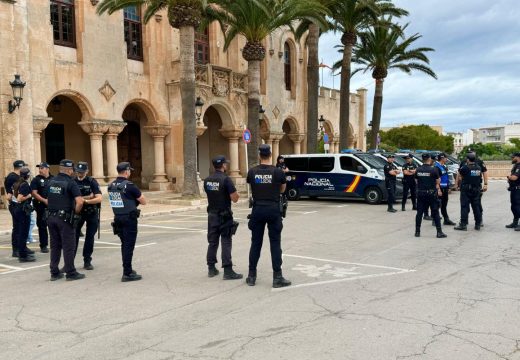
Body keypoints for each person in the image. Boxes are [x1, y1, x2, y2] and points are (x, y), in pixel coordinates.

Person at [246, 144, 291, 288]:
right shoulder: (278, 172)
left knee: (255, 243)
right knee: (275, 243)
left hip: (258, 209)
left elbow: (250, 186)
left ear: (260, 156)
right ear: (270, 155)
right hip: (273, 209)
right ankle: (277, 277)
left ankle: (251, 276)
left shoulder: (252, 172)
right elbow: (282, 189)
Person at [203, 155, 242, 280]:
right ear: (223, 165)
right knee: (226, 241)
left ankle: (211, 268)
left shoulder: (207, 180)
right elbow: (234, 199)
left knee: (212, 242)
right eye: (226, 164)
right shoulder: (226, 180)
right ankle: (227, 270)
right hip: (224, 215)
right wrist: (237, 194)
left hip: (212, 214)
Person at [46, 159, 85, 281]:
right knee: (68, 246)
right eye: (72, 169)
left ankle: (54, 272)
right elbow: (80, 201)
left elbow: (48, 199)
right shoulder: (71, 183)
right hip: (65, 219)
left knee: (55, 245)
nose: (73, 171)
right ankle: (70, 272)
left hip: (51, 217)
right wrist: (76, 212)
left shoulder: (51, 181)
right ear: (69, 170)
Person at [108, 162, 147, 282]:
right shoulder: (129, 186)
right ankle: (127, 273)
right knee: (129, 246)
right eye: (129, 170)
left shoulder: (111, 185)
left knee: (124, 244)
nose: (130, 172)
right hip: (129, 219)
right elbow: (143, 201)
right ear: (126, 172)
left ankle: (127, 268)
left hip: (118, 218)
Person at [73, 162, 102, 270]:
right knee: (73, 237)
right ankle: (70, 262)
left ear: (87, 171)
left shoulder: (91, 181)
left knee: (90, 237)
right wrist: (89, 197)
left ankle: (87, 260)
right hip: (78, 212)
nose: (79, 174)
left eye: (82, 172)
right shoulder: (73, 181)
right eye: (78, 172)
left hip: (91, 212)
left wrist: (84, 200)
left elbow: (99, 198)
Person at [4, 160, 33, 258]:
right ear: (20, 168)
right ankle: (16, 249)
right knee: (18, 228)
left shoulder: (16, 177)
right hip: (17, 205)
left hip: (18, 204)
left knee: (22, 228)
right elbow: (9, 195)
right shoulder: (12, 178)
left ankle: (23, 247)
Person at [414, 153, 447, 238]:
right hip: (431, 194)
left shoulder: (418, 169)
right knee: (435, 212)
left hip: (421, 193)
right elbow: (438, 181)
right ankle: (439, 232)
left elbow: (416, 181)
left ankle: (417, 232)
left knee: (419, 213)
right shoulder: (434, 170)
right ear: (429, 159)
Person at [12, 168, 37, 262]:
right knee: (23, 233)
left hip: (18, 210)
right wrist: (29, 196)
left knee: (21, 232)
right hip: (22, 211)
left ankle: (22, 253)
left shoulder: (17, 183)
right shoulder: (25, 185)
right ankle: (22, 256)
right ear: (27, 175)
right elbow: (19, 198)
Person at [455, 153, 484, 231]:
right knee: (476, 207)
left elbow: (460, 177)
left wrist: (457, 184)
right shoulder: (478, 167)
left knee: (464, 207)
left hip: (466, 189)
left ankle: (463, 225)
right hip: (476, 189)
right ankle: (478, 224)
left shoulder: (465, 168)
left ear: (467, 159)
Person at [30, 162, 53, 253]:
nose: (40, 170)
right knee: (42, 226)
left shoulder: (54, 179)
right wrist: (44, 200)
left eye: (42, 168)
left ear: (47, 169)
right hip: (41, 206)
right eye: (39, 168)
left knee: (54, 225)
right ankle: (43, 245)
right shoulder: (36, 180)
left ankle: (56, 243)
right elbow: (34, 193)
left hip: (53, 206)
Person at [434, 153, 455, 225]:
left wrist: (448, 187)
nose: (446, 159)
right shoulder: (437, 167)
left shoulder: (443, 166)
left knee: (444, 205)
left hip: (445, 188)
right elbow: (436, 179)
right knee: (437, 204)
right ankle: (435, 220)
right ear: (442, 159)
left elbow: (445, 178)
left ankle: (446, 219)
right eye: (446, 158)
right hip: (440, 189)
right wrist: (438, 189)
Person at [506, 152, 520, 230]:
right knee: (514, 207)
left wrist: (509, 177)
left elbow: (514, 177)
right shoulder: (516, 165)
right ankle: (515, 222)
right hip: (514, 189)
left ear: (517, 157)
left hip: (518, 190)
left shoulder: (519, 166)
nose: (511, 158)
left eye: (513, 157)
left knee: (517, 207)